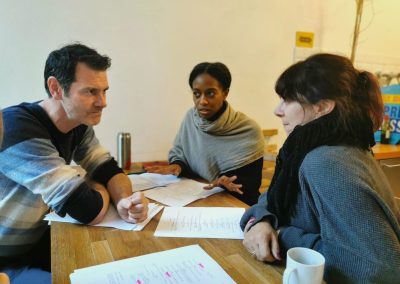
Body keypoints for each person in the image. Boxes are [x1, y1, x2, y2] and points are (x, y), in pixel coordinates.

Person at [241, 53, 400, 283]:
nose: (278, 110)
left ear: (322, 107)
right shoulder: (316, 148)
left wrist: (284, 234)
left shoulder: (327, 162)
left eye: (287, 100)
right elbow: (275, 197)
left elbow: (381, 271)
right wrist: (261, 221)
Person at [0, 43, 149, 283]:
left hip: (34, 243)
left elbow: (109, 169)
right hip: (6, 260)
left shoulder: (78, 124)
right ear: (56, 88)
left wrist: (123, 200)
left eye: (105, 91)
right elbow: (87, 209)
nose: (103, 102)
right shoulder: (18, 129)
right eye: (91, 92)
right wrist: (94, 182)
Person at [146, 62, 264, 205]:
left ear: (225, 93)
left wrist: (224, 183)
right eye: (196, 93)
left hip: (236, 205)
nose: (202, 101)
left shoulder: (248, 130)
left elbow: (250, 185)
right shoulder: (191, 118)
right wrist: (178, 165)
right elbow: (181, 154)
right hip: (198, 197)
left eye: (210, 93)